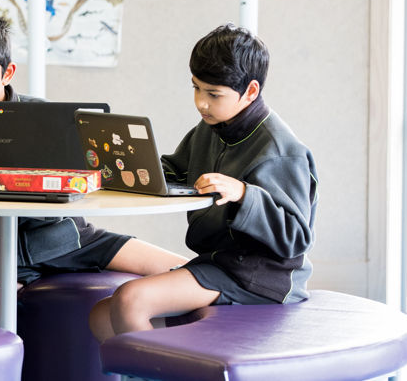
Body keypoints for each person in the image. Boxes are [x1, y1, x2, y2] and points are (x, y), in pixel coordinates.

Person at [0, 11, 186, 325]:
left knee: (188, 275)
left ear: (7, 72)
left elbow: (80, 180)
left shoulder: (43, 115)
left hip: (70, 238)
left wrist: (20, 172)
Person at [89, 24, 318, 342]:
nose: (201, 103)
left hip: (262, 275)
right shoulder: (213, 126)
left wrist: (243, 194)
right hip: (219, 263)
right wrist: (131, 167)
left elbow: (296, 237)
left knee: (131, 299)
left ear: (250, 92)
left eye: (213, 94)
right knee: (102, 315)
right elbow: (177, 169)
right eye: (196, 88)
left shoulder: (280, 151)